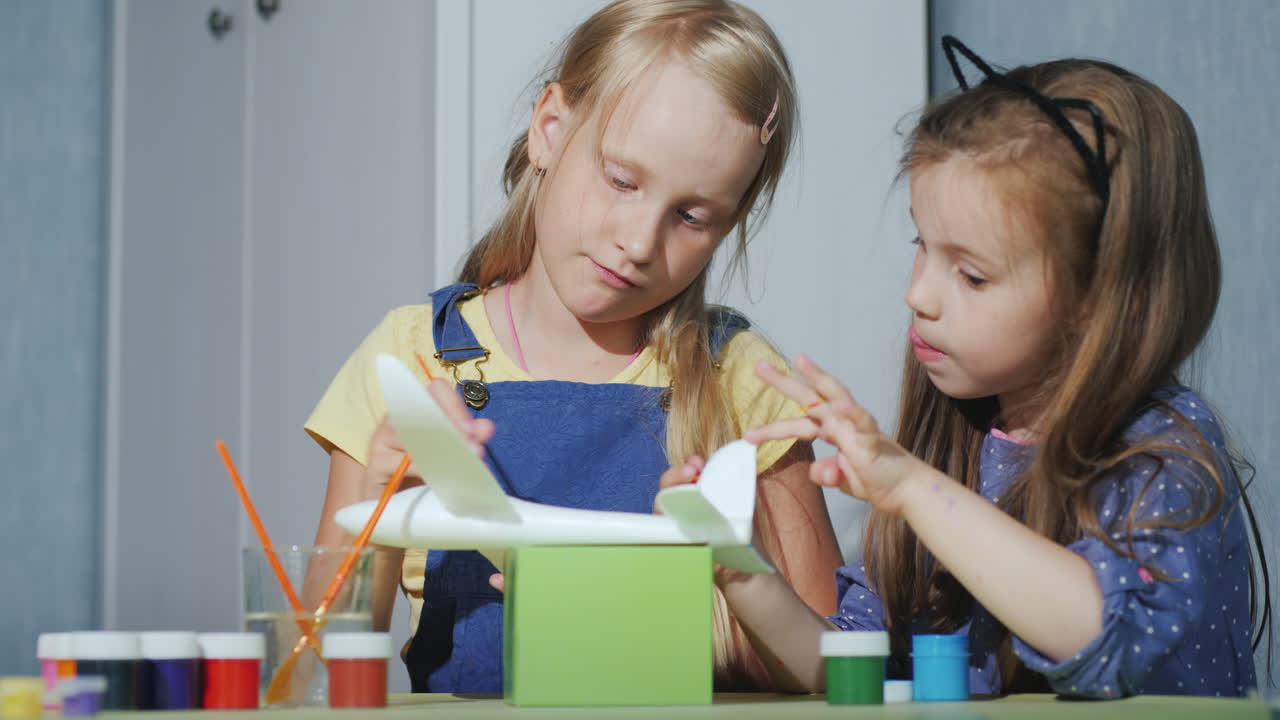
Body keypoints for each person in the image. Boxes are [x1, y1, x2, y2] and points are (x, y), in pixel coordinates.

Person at [687, 36, 1272, 698]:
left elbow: (1097, 629)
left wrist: (911, 488)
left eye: (971, 273)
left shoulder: (1166, 453)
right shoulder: (953, 457)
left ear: (1093, 297)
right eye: (922, 245)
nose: (918, 295)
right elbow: (846, 670)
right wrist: (737, 568)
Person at [304, 0, 843, 694]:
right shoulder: (411, 357)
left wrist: (740, 573)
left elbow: (840, 672)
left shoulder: (742, 379)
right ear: (550, 129)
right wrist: (378, 500)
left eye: (691, 216)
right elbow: (319, 651)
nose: (640, 241)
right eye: (622, 181)